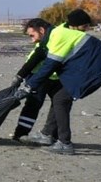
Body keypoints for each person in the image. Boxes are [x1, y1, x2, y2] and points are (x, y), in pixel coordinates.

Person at [16, 9, 95, 155]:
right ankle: (23, 134)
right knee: (36, 105)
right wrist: (22, 77)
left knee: (59, 104)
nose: (31, 40)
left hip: (56, 77)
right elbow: (42, 59)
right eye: (84, 27)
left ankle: (53, 137)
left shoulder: (63, 33)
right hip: (40, 75)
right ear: (74, 26)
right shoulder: (59, 35)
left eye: (32, 35)